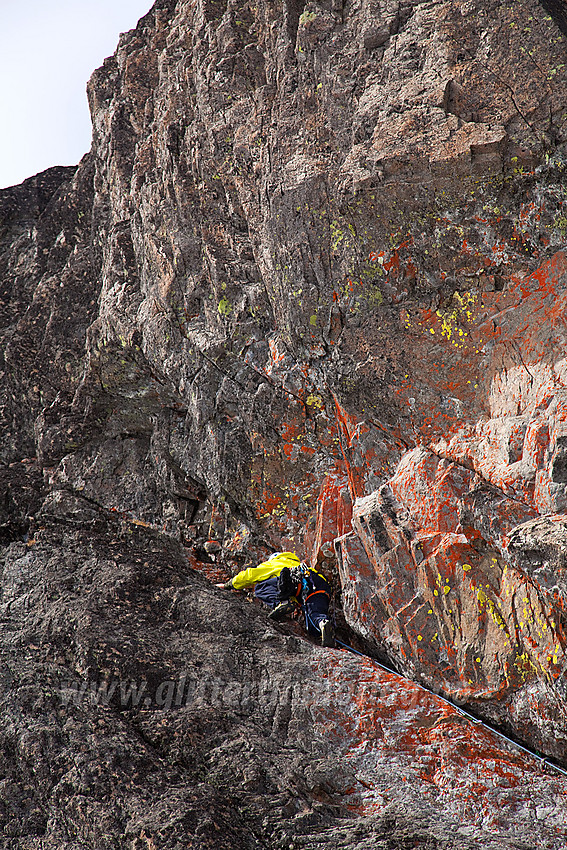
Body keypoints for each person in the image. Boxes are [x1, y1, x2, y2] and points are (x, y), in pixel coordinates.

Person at [216, 551, 334, 646]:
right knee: (314, 619)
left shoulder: (274, 563)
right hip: (318, 583)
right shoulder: (300, 565)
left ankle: (282, 602)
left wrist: (228, 585)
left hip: (292, 581)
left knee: (260, 587)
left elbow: (249, 575)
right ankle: (323, 623)